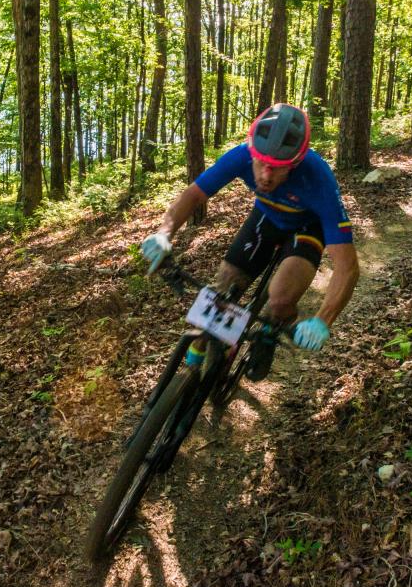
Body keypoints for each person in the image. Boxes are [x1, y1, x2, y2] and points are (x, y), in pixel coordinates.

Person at [140, 103, 359, 380]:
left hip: (306, 228)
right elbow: (194, 195)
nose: (266, 176)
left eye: (278, 169)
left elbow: (347, 266)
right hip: (265, 219)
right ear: (252, 152)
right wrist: (164, 232)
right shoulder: (241, 156)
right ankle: (192, 363)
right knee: (221, 290)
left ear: (296, 163)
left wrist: (323, 320)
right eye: (261, 163)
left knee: (279, 300)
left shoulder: (319, 180)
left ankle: (268, 333)